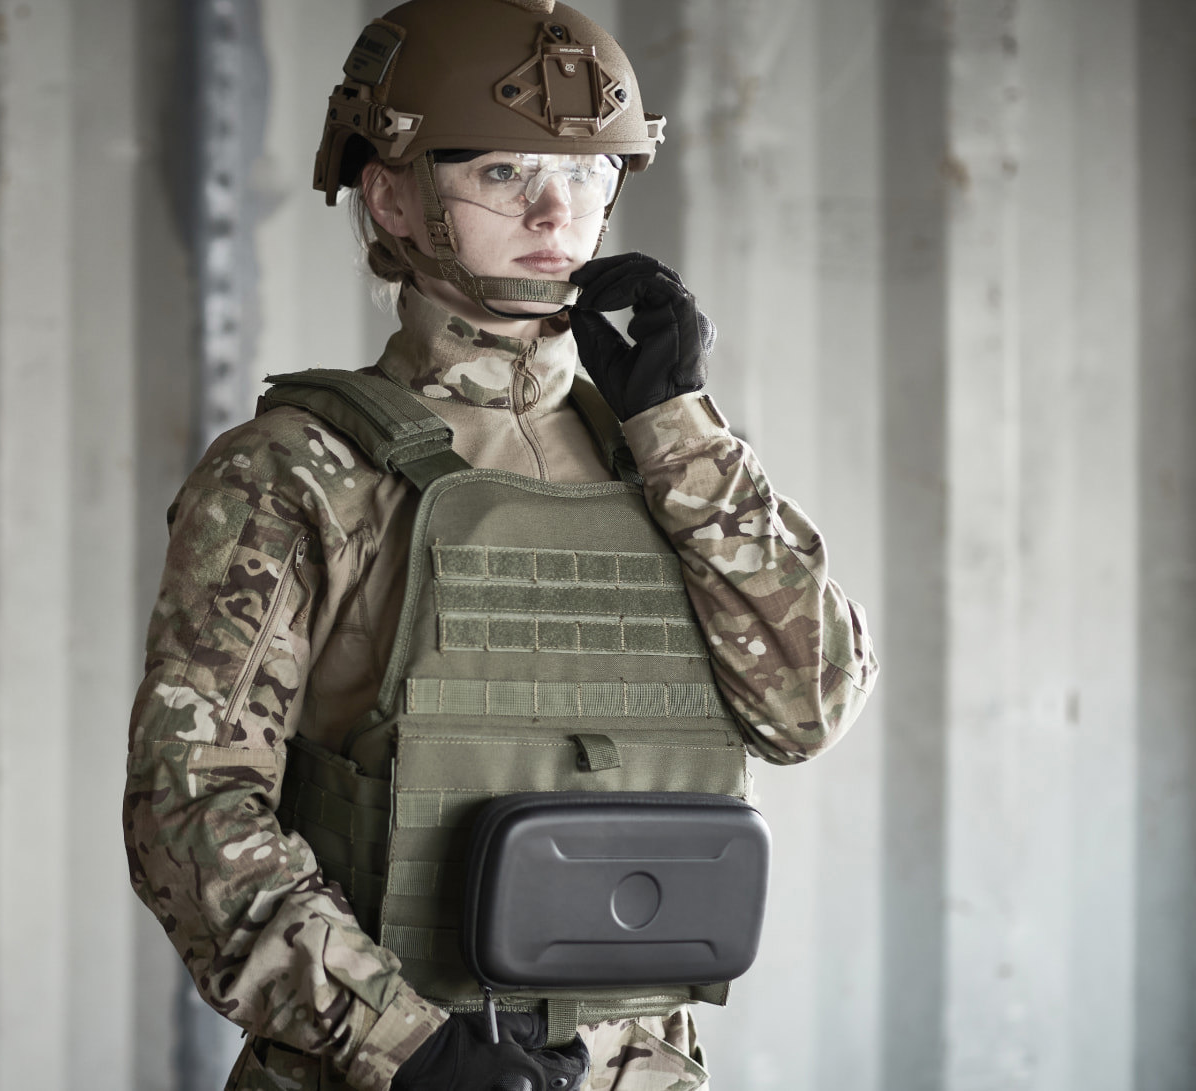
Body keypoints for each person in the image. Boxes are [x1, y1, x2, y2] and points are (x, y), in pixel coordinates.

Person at [123, 1, 879, 1088]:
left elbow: (809, 705)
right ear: (391, 194)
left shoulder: (666, 459)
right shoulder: (298, 471)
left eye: (584, 176)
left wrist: (681, 427)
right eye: (501, 173)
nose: (552, 210)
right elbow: (188, 805)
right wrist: (406, 1044)